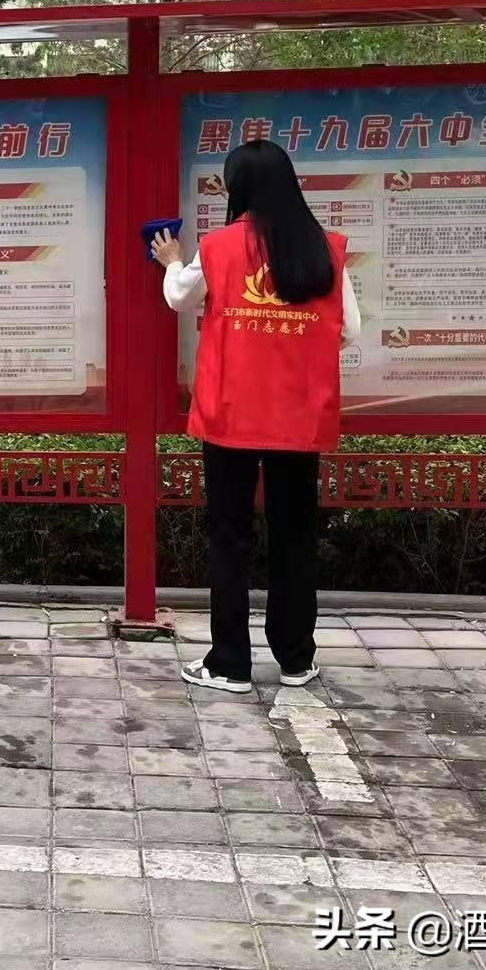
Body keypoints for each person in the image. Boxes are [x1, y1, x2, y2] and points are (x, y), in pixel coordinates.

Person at [152, 139, 361, 693]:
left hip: (231, 415)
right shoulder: (326, 248)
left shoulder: (219, 248)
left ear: (238, 188)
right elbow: (351, 329)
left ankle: (229, 664)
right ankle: (295, 659)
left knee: (230, 537)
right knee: (295, 536)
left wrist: (172, 260)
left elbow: (179, 298)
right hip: (298, 417)